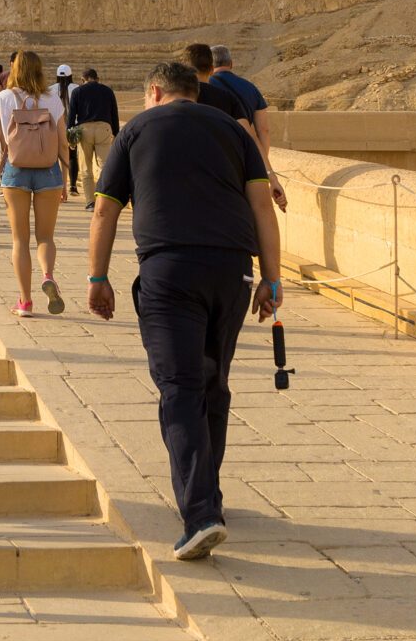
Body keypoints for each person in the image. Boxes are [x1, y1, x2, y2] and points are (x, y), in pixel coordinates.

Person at [84, 60, 282, 561]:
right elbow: (262, 206)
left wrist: (98, 277)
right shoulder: (233, 132)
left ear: (154, 91)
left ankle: (200, 514)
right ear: (195, 92)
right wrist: (272, 279)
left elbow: (106, 209)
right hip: (232, 272)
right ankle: (207, 494)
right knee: (213, 380)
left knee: (179, 388)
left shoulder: (136, 130)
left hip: (169, 271)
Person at [0, 51, 70, 317]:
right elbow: (63, 142)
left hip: (16, 170)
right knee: (45, 237)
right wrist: (65, 180)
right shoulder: (52, 98)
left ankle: (25, 302)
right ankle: (48, 275)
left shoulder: (2, 98)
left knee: (19, 240)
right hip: (48, 171)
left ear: (15, 70)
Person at [209, 44, 289, 212]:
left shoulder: (206, 88)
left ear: (210, 65)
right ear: (231, 64)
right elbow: (264, 130)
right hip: (245, 154)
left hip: (218, 156)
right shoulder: (250, 88)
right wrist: (260, 162)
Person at [68, 67, 121, 209]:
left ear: (82, 80)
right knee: (105, 166)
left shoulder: (77, 91)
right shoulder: (107, 91)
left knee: (86, 167)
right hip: (104, 128)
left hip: (84, 129)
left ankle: (90, 202)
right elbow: (114, 113)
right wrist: (116, 133)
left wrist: (70, 138)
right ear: (98, 79)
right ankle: (105, 199)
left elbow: (71, 116)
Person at [181, 42, 250, 128]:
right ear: (211, 69)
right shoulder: (227, 98)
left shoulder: (173, 97)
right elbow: (245, 131)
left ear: (184, 71)